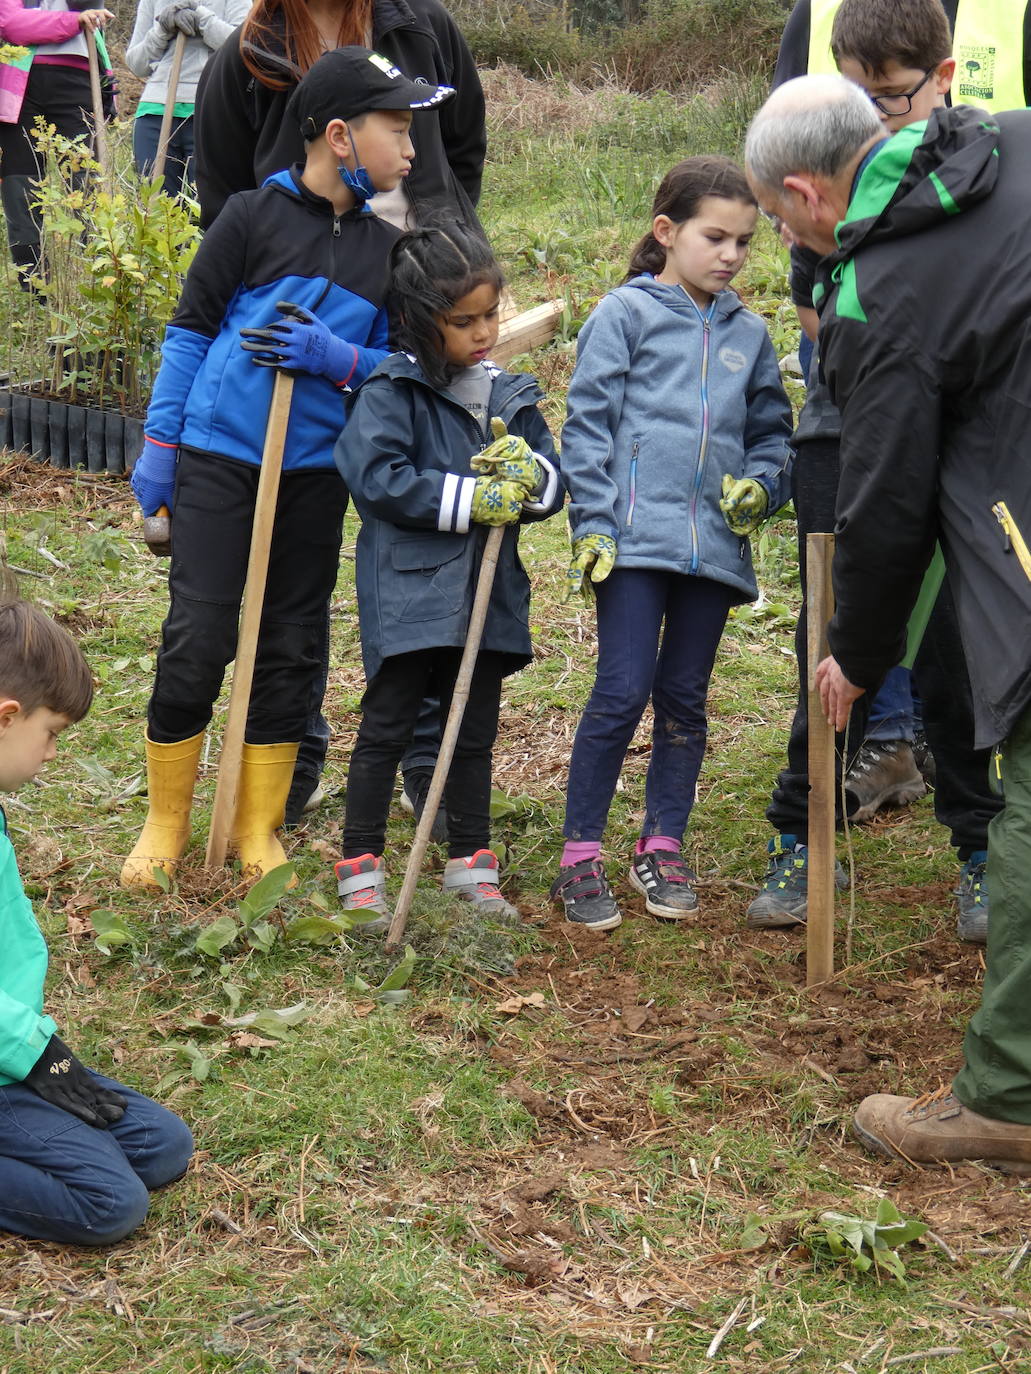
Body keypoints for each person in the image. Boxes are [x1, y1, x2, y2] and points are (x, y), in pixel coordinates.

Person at [744, 73, 1031, 1170]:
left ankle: (1005, 1091)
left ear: (810, 195)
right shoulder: (1006, 140)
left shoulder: (876, 285)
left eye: (779, 222)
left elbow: (884, 495)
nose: (791, 243)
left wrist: (853, 657)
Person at [122, 46, 455, 893]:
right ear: (340, 135)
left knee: (290, 647)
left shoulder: (388, 252)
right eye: (397, 128)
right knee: (200, 635)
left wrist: (337, 356)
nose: (411, 149)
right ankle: (166, 821)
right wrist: (160, 453)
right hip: (220, 460)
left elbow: (391, 371)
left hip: (313, 475)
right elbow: (191, 333)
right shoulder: (249, 218)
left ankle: (255, 824)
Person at [192, 0, 487, 831]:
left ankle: (425, 748)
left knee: (420, 534)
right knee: (295, 567)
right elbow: (222, 190)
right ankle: (293, 755)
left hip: (409, 302)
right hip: (301, 316)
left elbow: (460, 147)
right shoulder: (253, 48)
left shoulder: (421, 29)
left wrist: (434, 260)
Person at [747, 0, 1005, 943]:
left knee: (959, 652)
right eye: (866, 98)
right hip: (853, 412)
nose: (878, 116)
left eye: (891, 98)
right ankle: (801, 832)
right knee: (831, 640)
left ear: (937, 81)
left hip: (967, 430)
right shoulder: (818, 57)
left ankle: (982, 849)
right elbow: (817, 306)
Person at [549, 157, 792, 932]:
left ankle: (662, 843)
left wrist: (762, 484)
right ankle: (579, 854)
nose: (730, 255)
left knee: (684, 700)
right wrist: (590, 521)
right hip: (628, 543)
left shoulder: (749, 334)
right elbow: (585, 425)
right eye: (714, 237)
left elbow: (773, 436)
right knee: (620, 690)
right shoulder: (622, 314)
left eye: (744, 243)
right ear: (666, 232)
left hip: (712, 551)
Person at [333, 224, 561, 929]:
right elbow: (378, 479)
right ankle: (361, 866)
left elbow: (550, 483)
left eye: (491, 314)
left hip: (486, 595)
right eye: (463, 321)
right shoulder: (389, 390)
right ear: (418, 320)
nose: (484, 332)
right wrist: (471, 498)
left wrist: (532, 481)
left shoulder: (507, 395)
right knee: (388, 725)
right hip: (409, 588)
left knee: (473, 729)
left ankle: (470, 861)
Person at [0, 575, 193, 1244]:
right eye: (50, 733)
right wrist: (35, 1052)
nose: (51, 755)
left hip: (9, 1055)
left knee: (164, 1147)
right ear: (6, 715)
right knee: (111, 1203)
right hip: (11, 1055)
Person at [0, 0, 113, 288]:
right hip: (18, 90)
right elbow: (12, 25)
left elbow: (86, 4)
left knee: (87, 190)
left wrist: (40, 19)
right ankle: (35, 297)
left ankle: (101, 291)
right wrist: (72, 22)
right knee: (21, 196)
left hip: (79, 82)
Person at [126, 0, 249, 199]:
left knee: (207, 205)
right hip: (155, 110)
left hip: (211, 109)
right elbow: (136, 63)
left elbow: (243, 46)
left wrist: (201, 17)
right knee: (157, 206)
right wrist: (162, 29)